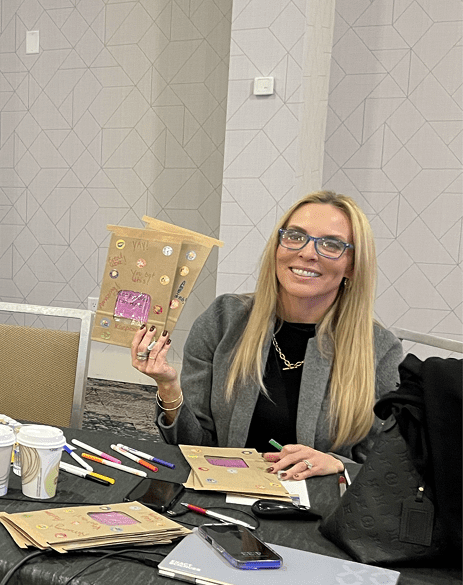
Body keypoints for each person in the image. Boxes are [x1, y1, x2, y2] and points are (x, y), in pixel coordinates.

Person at [132, 191, 403, 481]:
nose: (308, 253)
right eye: (296, 236)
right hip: (224, 497)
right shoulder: (223, 319)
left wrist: (338, 465)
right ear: (277, 246)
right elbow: (194, 448)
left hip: (318, 511)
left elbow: (386, 469)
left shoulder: (379, 349)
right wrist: (168, 387)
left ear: (351, 264)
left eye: (331, 244)